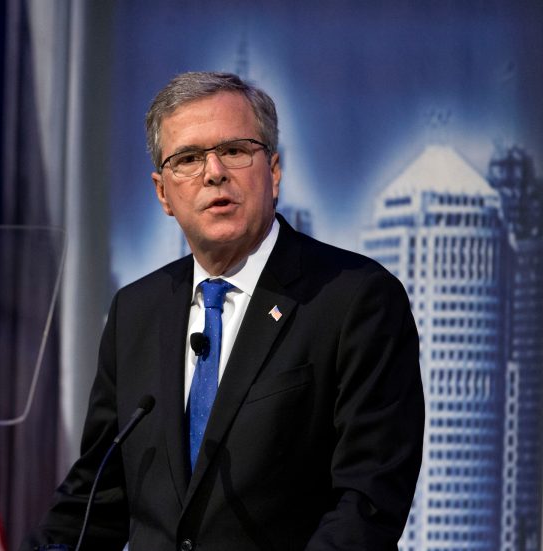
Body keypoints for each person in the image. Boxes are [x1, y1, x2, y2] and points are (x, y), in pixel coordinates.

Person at [23, 71, 424, 550]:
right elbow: (96, 497)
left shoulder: (354, 298)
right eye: (188, 159)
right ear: (163, 193)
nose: (213, 172)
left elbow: (368, 498)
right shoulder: (136, 310)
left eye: (234, 150)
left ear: (274, 170)